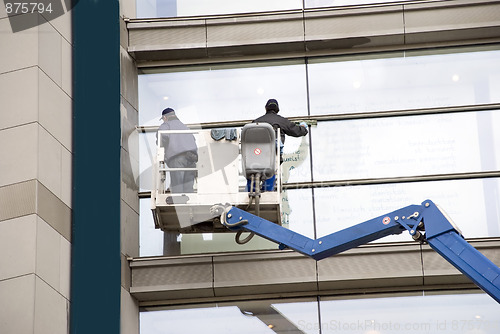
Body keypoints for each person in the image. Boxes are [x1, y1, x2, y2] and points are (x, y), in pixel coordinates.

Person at [253, 98, 308, 163]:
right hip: (274, 156)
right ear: (277, 109)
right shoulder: (281, 121)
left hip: (257, 155)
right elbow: (296, 131)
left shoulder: (256, 122)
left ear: (266, 108)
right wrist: (303, 128)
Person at [157, 107, 198, 193]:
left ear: (165, 117)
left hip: (178, 158)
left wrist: (160, 144)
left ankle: (177, 202)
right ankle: (187, 204)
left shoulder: (167, 125)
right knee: (188, 189)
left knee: (177, 187)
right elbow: (193, 140)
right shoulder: (185, 127)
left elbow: (162, 136)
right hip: (192, 159)